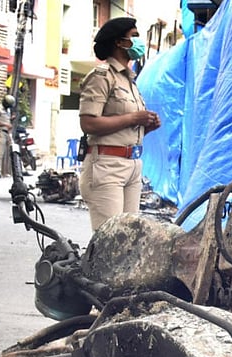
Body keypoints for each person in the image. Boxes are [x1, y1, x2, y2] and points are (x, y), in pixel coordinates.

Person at [78, 16, 161, 231]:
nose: (138, 42)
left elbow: (121, 129)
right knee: (110, 241)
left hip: (132, 165)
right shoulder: (102, 76)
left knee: (127, 240)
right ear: (119, 42)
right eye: (134, 36)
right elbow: (88, 124)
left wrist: (146, 127)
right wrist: (134, 118)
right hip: (107, 166)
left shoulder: (129, 80)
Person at [0, 94, 15, 178]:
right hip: (0, 132)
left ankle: (9, 171)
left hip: (8, 132)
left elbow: (6, 120)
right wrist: (5, 124)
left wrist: (11, 119)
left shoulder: (8, 110)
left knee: (12, 150)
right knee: (0, 153)